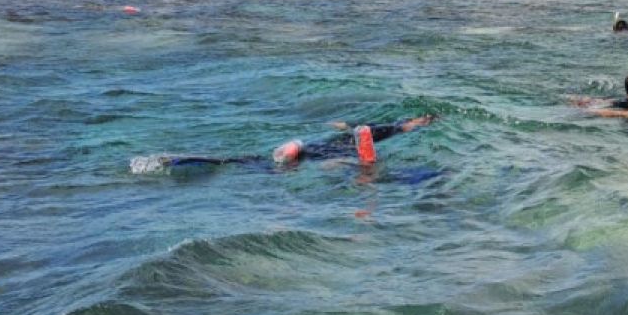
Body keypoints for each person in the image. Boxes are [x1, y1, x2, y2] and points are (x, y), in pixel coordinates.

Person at [129, 115, 435, 174]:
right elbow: (399, 127)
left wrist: (341, 124)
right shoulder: (383, 129)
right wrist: (418, 124)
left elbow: (347, 126)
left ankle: (175, 160)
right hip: (331, 154)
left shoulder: (353, 130)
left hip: (308, 148)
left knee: (243, 162)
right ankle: (366, 168)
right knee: (352, 166)